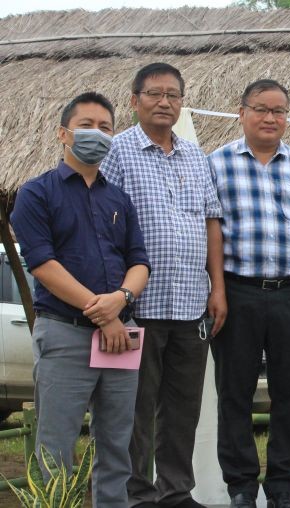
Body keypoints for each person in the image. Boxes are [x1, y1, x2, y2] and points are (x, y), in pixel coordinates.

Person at [11, 92, 150, 507]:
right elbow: (42, 264)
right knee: (55, 448)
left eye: (106, 128)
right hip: (65, 333)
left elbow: (139, 262)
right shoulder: (36, 194)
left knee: (117, 447)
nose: (97, 134)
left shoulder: (119, 199)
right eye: (87, 125)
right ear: (63, 133)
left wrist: (122, 300)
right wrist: (104, 314)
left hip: (120, 338)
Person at [100, 63, 226, 508]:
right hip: (137, 305)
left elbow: (211, 223)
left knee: (182, 409)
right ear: (134, 101)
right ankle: (137, 495)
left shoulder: (195, 154)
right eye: (154, 94)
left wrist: (218, 288)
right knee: (134, 408)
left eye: (173, 95)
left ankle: (176, 492)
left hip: (191, 302)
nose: (164, 102)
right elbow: (102, 225)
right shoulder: (117, 152)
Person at [207, 79, 290, 508]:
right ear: (241, 112)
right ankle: (241, 487)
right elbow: (209, 233)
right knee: (234, 393)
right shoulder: (216, 164)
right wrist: (218, 291)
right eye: (260, 109)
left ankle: (283, 489)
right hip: (236, 293)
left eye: (278, 110)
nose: (270, 118)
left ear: (287, 116)